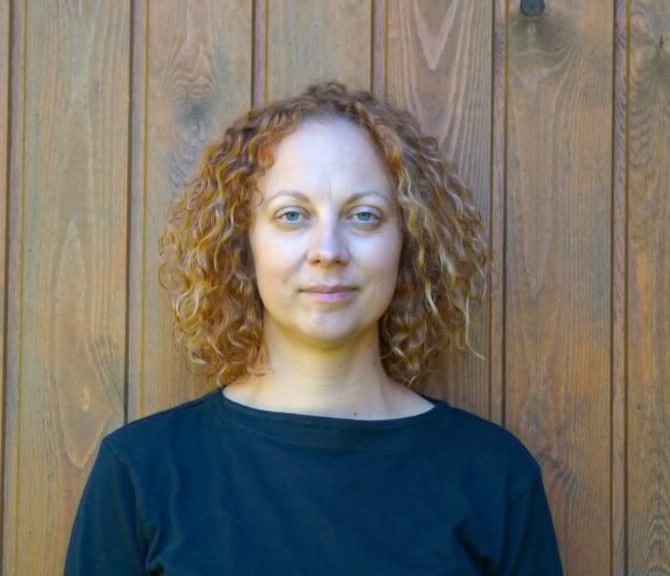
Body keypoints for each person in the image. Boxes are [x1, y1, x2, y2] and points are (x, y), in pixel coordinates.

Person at [64, 81, 563, 575]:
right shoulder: (141, 473)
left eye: (364, 216)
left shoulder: (494, 478)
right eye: (292, 215)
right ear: (245, 244)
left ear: (407, 242)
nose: (328, 250)